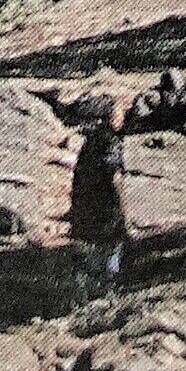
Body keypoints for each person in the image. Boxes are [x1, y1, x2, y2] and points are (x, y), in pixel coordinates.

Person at [68, 97, 131, 291]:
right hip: (106, 207)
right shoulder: (112, 141)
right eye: (120, 113)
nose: (123, 117)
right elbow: (115, 177)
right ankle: (107, 291)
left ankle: (84, 293)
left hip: (85, 205)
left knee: (88, 252)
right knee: (112, 249)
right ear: (110, 118)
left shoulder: (90, 140)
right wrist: (124, 210)